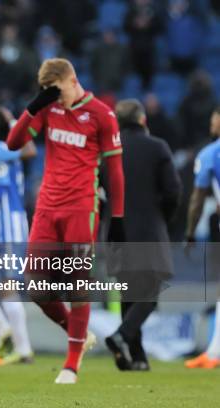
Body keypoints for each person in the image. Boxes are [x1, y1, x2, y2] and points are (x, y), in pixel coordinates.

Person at [6, 58, 125, 384]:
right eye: (48, 93)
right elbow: (14, 143)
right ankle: (78, 333)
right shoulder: (48, 107)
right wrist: (34, 106)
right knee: (35, 285)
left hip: (81, 208)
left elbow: (114, 170)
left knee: (77, 283)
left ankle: (72, 363)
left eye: (57, 91)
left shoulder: (101, 114)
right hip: (47, 207)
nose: (55, 98)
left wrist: (117, 216)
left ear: (72, 80)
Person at [104, 99, 181, 371]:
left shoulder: (107, 151)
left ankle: (136, 358)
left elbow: (99, 192)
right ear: (142, 120)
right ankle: (122, 336)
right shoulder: (157, 147)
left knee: (129, 292)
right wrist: (165, 218)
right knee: (150, 290)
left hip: (116, 231)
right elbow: (173, 190)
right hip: (149, 228)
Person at [0, 105, 36, 365]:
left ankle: (21, 348)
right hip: (3, 223)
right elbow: (30, 149)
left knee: (3, 286)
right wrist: (14, 121)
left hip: (3, 223)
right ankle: (8, 337)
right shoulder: (11, 151)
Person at [184, 105, 220, 369]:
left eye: (214, 120)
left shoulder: (211, 153)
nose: (211, 124)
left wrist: (189, 232)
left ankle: (214, 354)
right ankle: (214, 352)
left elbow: (197, 198)